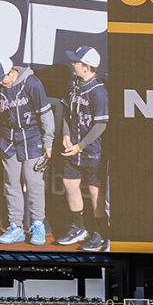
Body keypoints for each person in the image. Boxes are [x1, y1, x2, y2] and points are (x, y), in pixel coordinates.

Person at [0, 56, 54, 245]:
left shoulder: (32, 83)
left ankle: (38, 225)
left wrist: (48, 141)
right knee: (11, 184)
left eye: (0, 78)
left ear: (11, 72)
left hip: (32, 139)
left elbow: (46, 114)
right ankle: (16, 226)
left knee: (34, 183)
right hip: (8, 141)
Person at [55, 46, 111, 251]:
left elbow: (101, 125)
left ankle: (99, 233)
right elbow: (68, 113)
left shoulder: (99, 92)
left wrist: (80, 145)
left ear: (86, 67)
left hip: (92, 149)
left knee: (96, 192)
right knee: (69, 183)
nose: (72, 64)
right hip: (73, 146)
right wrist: (66, 135)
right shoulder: (73, 83)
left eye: (76, 62)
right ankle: (79, 228)